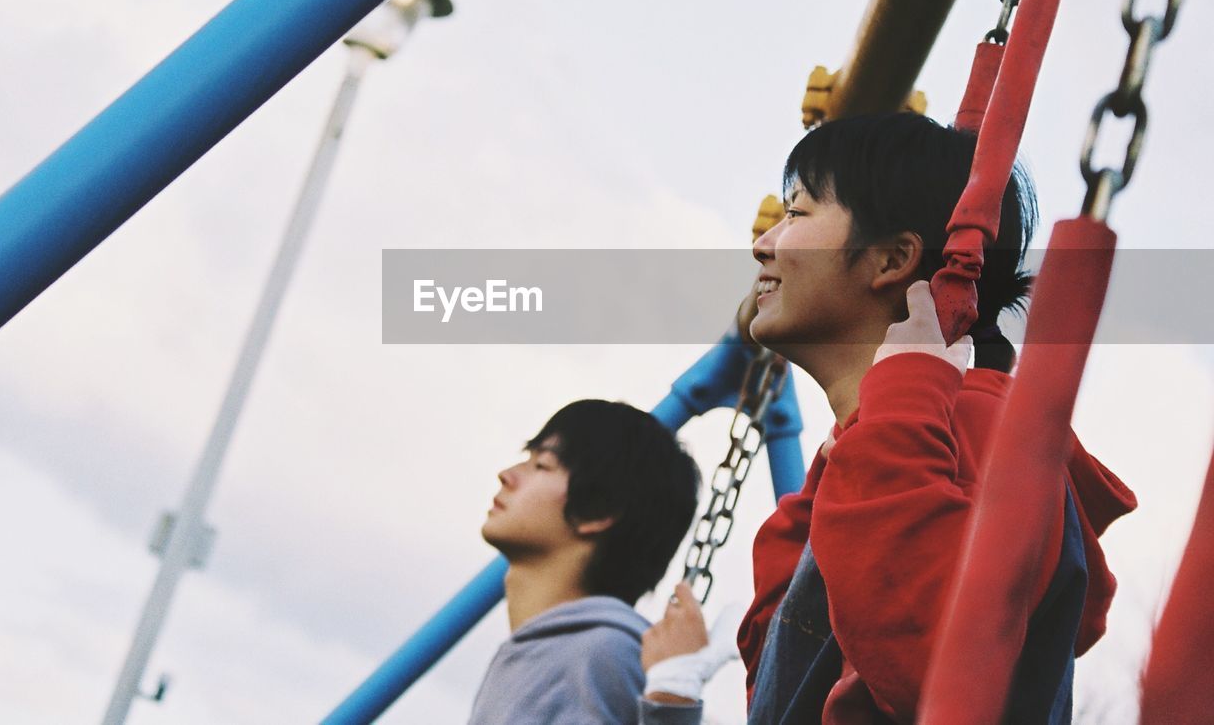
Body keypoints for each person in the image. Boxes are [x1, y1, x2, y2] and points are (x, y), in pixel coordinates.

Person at [643, 113, 1137, 723]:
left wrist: (902, 394)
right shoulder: (872, 452)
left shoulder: (975, 427)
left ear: (893, 259)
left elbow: (932, 665)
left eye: (795, 214)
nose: (762, 243)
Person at [468, 399, 702, 725]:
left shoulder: (603, 654)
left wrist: (671, 700)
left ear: (598, 509)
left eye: (542, 465)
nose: (507, 475)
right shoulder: (538, 652)